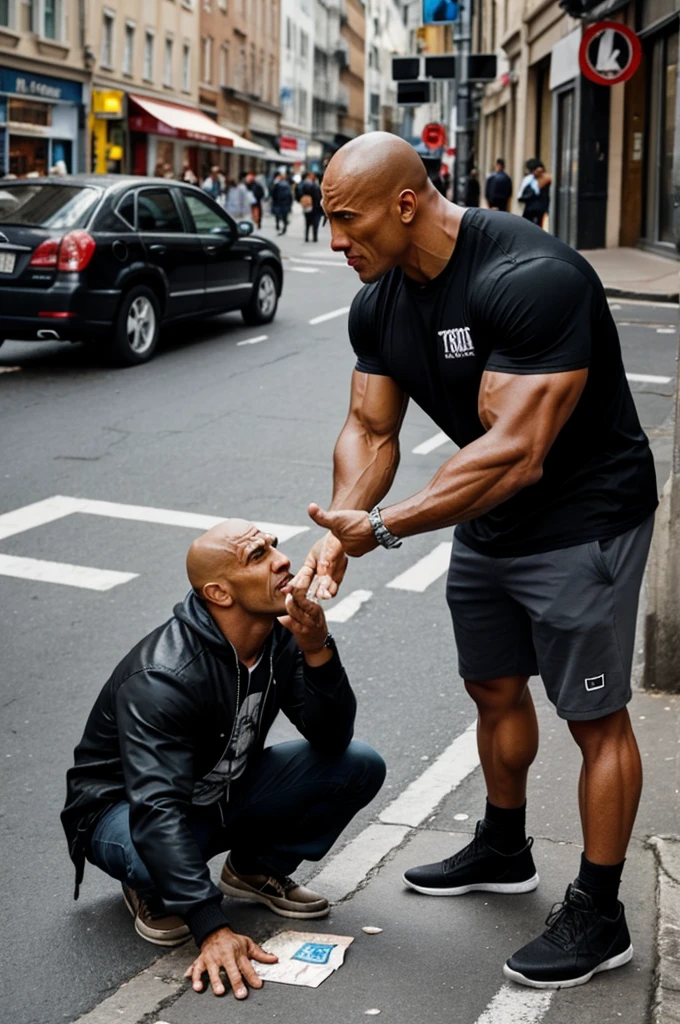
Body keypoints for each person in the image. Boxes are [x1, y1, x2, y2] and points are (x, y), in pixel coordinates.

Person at [293, 131, 658, 990]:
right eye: (328, 223)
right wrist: (344, 518)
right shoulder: (380, 299)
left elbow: (516, 450)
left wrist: (383, 530)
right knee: (492, 686)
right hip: (487, 519)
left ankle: (600, 913)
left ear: (407, 203)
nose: (335, 242)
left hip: (583, 516)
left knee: (594, 717)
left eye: (347, 223)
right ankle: (503, 845)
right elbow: (372, 428)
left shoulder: (529, 279)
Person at [62, 519, 385, 1001]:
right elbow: (156, 811)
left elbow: (332, 736)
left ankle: (253, 868)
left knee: (357, 765)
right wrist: (211, 927)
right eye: (258, 556)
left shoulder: (278, 639)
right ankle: (148, 887)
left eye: (274, 546)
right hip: (124, 810)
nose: (282, 560)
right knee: (154, 856)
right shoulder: (164, 676)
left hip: (218, 790)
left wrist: (316, 649)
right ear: (219, 593)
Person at [518, 159, 549, 227]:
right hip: (538, 208)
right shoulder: (532, 179)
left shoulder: (530, 179)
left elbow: (521, 194)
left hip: (532, 208)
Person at [299, 171, 323, 242]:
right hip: (316, 208)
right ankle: (314, 237)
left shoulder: (305, 185)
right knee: (315, 224)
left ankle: (307, 237)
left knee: (307, 223)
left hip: (309, 207)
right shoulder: (317, 186)